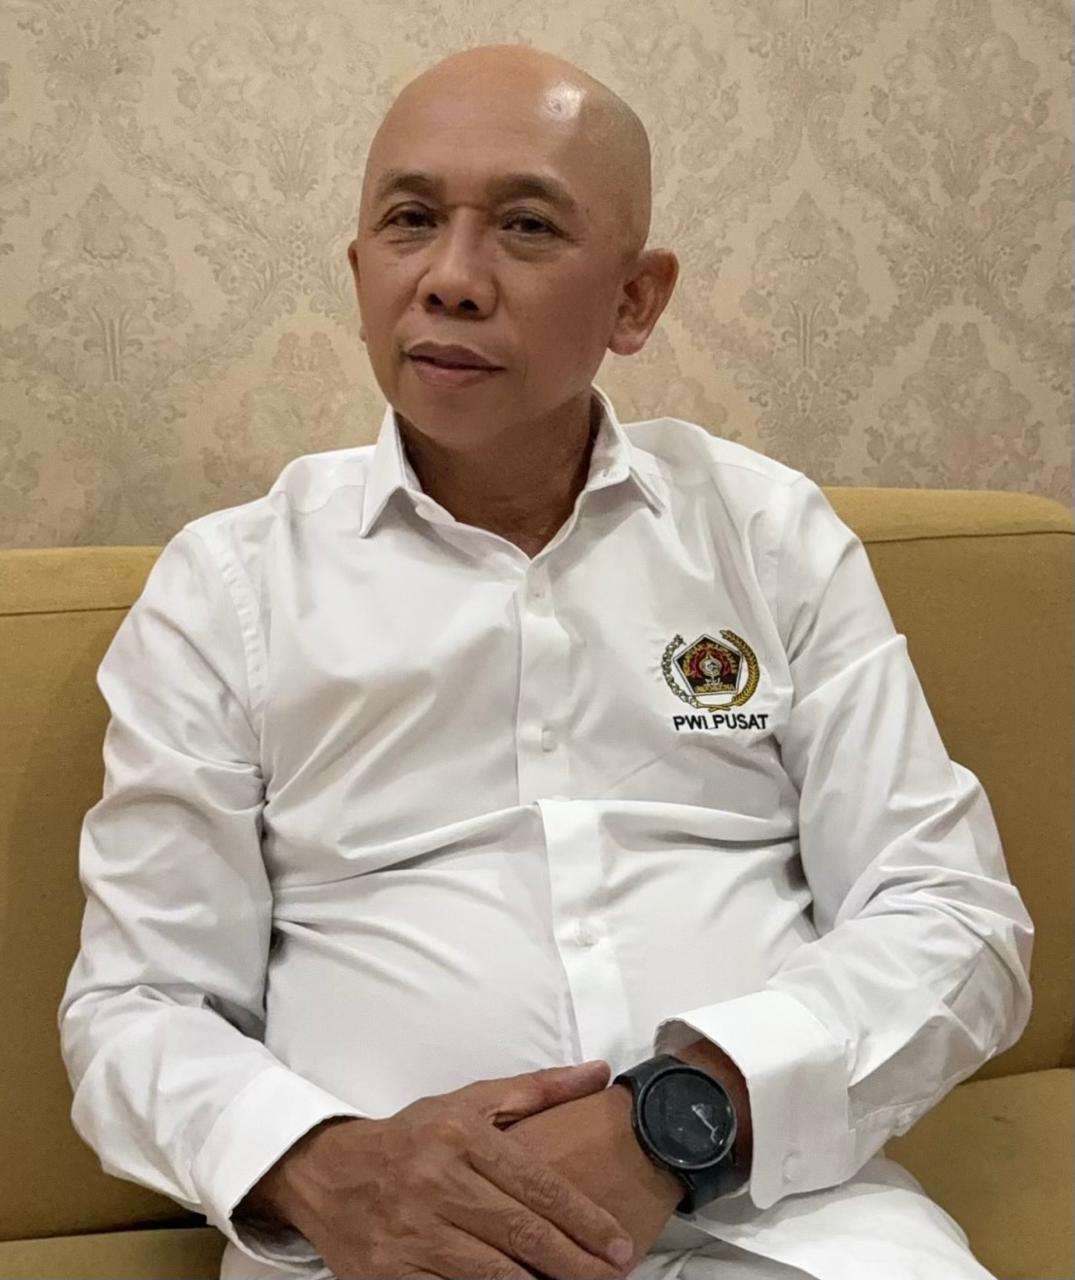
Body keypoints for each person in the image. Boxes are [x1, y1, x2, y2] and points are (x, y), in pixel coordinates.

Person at [58, 42, 1034, 1280]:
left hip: (784, 1220)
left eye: (525, 226)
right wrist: (331, 1168)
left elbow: (952, 913)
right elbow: (135, 1005)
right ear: (359, 272)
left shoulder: (765, 533)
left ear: (636, 299)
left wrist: (679, 1117)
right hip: (393, 1248)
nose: (451, 279)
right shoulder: (227, 587)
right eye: (411, 221)